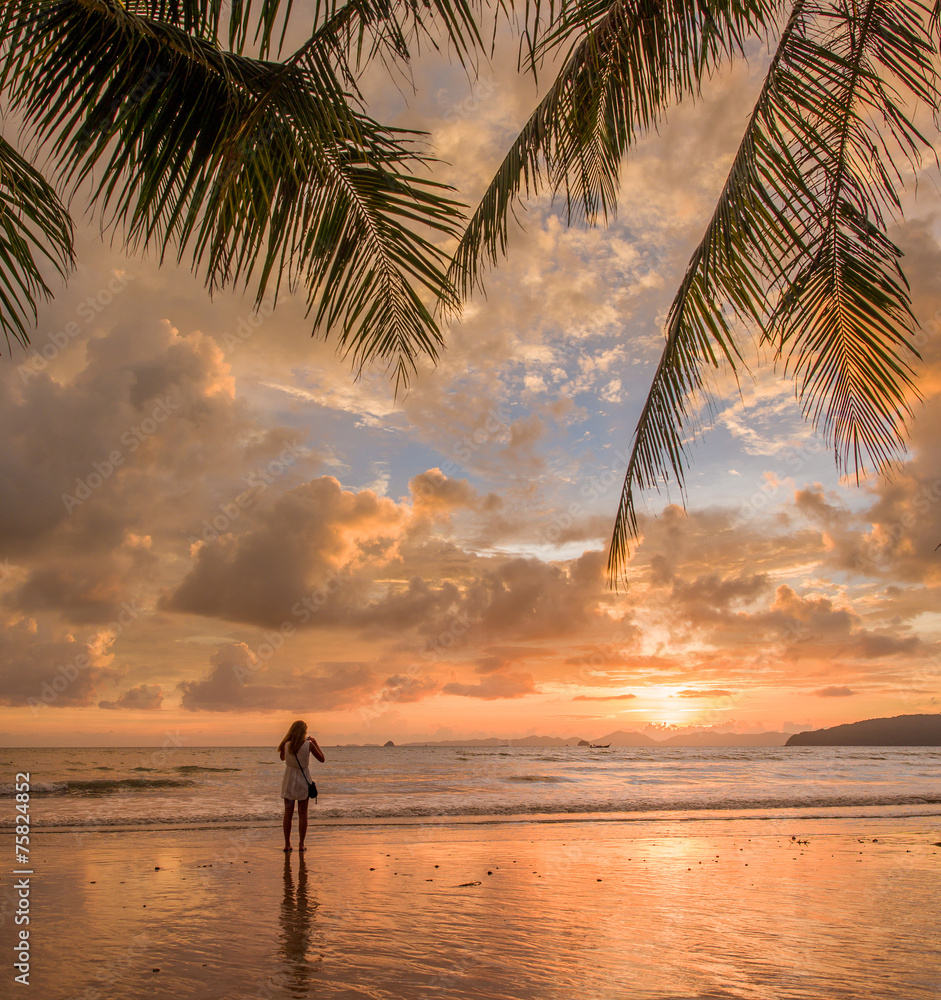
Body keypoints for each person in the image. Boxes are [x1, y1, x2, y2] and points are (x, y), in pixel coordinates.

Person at [278, 720, 325, 852]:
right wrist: (315, 743)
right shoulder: (308, 744)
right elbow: (322, 759)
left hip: (289, 780)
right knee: (303, 814)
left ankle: (287, 844)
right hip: (303, 780)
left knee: (288, 813)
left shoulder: (286, 745)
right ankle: (301, 844)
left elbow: (282, 758)